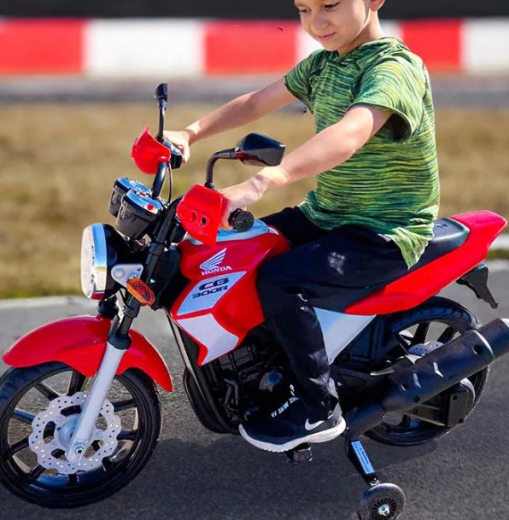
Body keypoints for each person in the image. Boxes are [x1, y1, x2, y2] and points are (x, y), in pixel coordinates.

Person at [163, 0, 439, 452]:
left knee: (280, 280)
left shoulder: (394, 68)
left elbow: (350, 133)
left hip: (385, 229)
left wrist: (268, 177)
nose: (317, 22)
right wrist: (189, 133)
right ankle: (262, 365)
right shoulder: (324, 64)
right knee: (233, 251)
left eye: (330, 5)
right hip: (326, 213)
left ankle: (317, 406)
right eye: (304, 9)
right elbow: (258, 101)